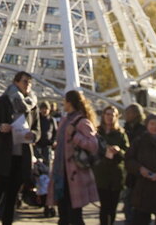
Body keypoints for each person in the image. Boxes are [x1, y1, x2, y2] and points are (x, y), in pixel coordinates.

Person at [0, 71, 39, 225]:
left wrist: (33, 135)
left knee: (11, 201)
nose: (28, 85)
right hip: (3, 158)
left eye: (30, 82)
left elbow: (38, 130)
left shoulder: (33, 104)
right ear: (16, 82)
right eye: (25, 82)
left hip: (21, 159)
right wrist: (1, 127)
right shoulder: (4, 101)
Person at [47, 90, 100, 225]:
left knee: (75, 215)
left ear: (69, 102)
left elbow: (93, 145)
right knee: (64, 214)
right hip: (61, 173)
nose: (63, 104)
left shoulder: (82, 122)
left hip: (74, 174)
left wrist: (75, 135)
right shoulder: (65, 120)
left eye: (64, 101)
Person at [93, 106, 129, 225]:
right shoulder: (97, 132)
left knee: (112, 207)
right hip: (101, 173)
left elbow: (128, 153)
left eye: (112, 115)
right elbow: (92, 150)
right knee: (104, 206)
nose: (110, 117)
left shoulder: (120, 133)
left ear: (116, 117)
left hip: (116, 174)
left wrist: (119, 151)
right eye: (107, 114)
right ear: (103, 115)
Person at [122, 102, 146, 222]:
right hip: (129, 169)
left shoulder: (142, 131)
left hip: (138, 170)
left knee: (135, 201)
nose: (125, 115)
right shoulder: (125, 128)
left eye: (128, 112)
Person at [35, 101, 58, 172]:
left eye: (46, 109)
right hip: (37, 144)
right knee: (37, 163)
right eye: (43, 109)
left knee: (47, 165)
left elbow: (55, 132)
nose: (44, 111)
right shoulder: (37, 119)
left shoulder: (52, 120)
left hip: (47, 145)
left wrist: (54, 141)